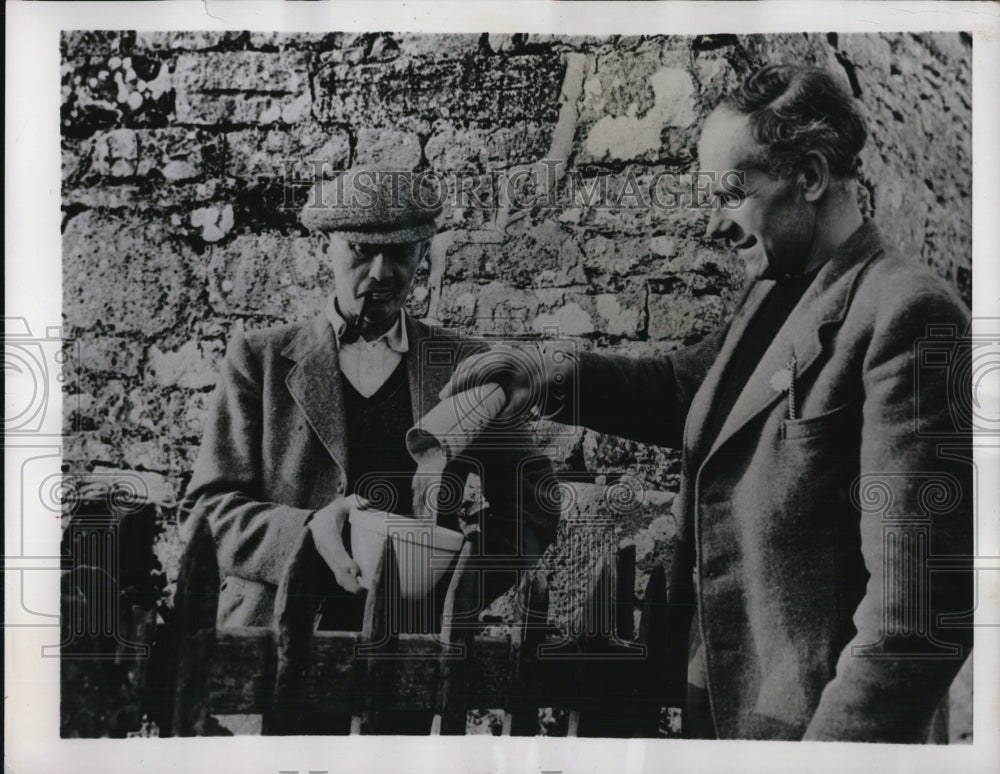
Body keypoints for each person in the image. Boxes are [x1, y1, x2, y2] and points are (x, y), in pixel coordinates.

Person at [442, 65, 973, 742]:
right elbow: (687, 390)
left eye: (731, 194)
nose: (715, 225)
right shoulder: (775, 295)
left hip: (809, 733)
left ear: (809, 177)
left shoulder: (910, 316)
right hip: (721, 713)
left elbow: (919, 612)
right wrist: (544, 374)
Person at [184, 167, 559, 645]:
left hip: (406, 650)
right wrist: (305, 532)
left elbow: (535, 499)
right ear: (328, 248)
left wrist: (456, 586)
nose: (382, 272)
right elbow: (205, 513)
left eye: (400, 253)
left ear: (422, 254)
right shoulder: (259, 360)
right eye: (361, 250)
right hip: (274, 638)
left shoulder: (462, 365)